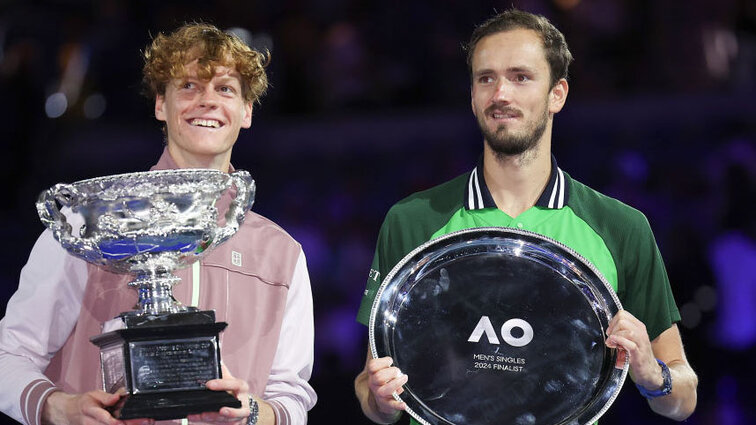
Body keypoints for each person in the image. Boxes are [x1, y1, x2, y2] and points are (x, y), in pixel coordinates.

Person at [354, 9, 697, 424]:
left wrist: (652, 374)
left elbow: (683, 398)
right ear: (472, 95)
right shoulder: (412, 220)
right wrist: (379, 399)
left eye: (520, 77)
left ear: (557, 94)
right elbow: (370, 385)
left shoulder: (620, 227)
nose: (501, 94)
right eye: (486, 78)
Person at [0, 23, 316, 425]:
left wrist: (252, 413)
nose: (207, 101)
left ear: (246, 111)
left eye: (225, 89)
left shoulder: (281, 254)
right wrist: (56, 407)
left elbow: (291, 397)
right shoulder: (91, 225)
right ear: (160, 105)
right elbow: (9, 356)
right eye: (189, 86)